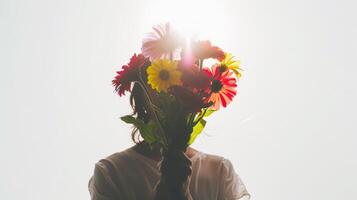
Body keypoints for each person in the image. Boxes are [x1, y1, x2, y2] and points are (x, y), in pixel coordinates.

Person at [88, 83, 250, 200]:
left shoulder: (219, 171)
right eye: (162, 80)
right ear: (142, 92)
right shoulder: (111, 172)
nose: (172, 90)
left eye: (184, 78)